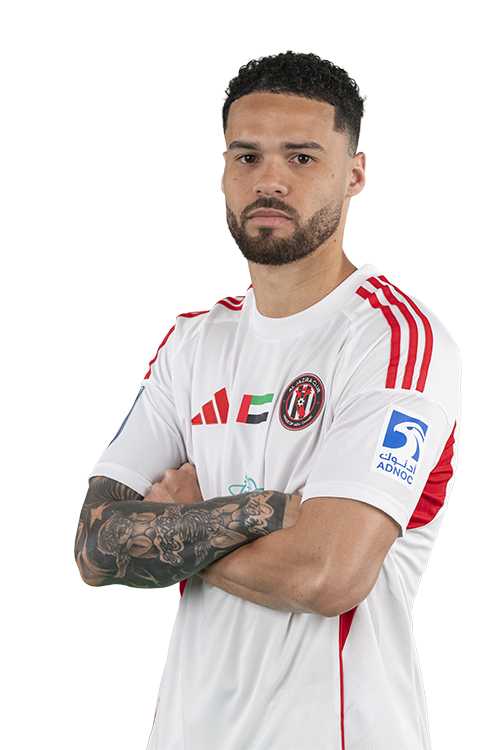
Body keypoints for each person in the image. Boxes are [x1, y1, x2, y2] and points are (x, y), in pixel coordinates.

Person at [75, 51, 461, 749]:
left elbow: (327, 575)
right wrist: (272, 515)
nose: (270, 180)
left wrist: (177, 526)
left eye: (301, 157)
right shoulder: (192, 342)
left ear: (355, 174)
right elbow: (96, 548)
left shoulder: (397, 340)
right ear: (223, 170)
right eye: (247, 156)